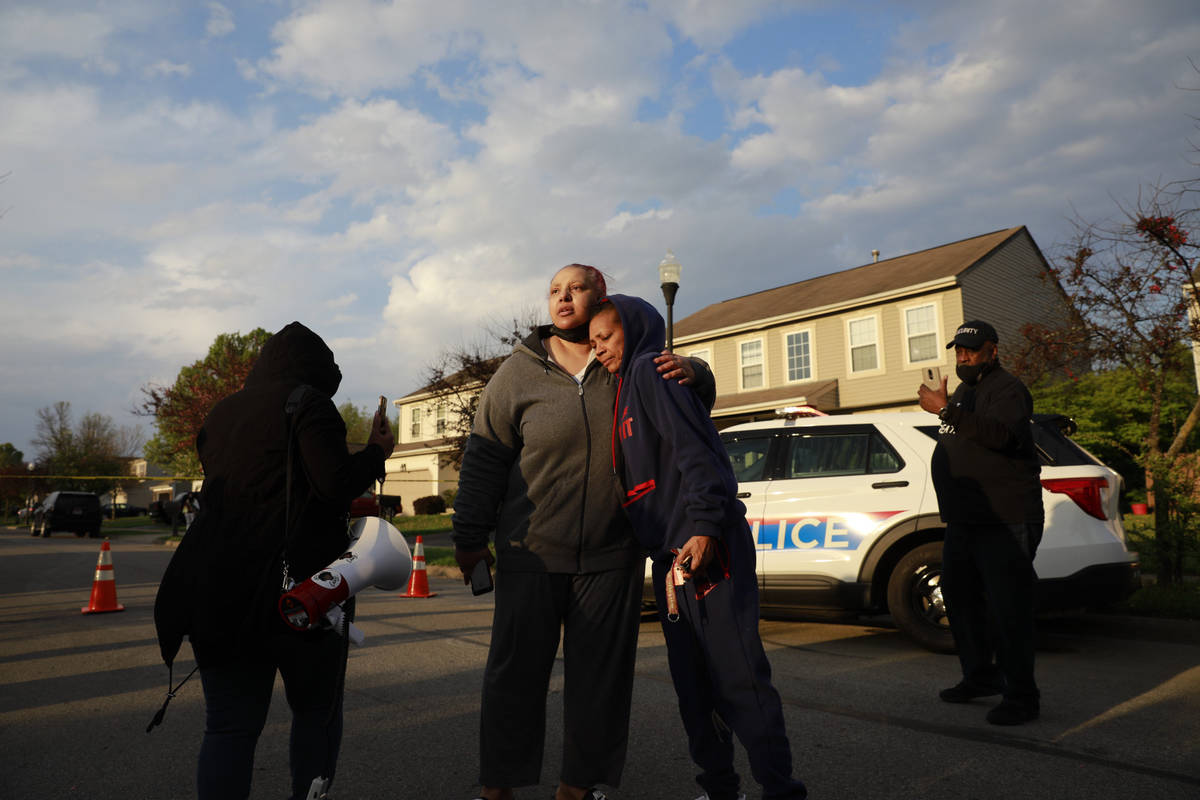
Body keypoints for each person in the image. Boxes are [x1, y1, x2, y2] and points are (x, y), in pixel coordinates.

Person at [452, 264, 713, 800]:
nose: (563, 297)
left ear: (601, 296)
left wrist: (694, 369)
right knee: (513, 681)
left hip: (611, 554)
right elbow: (483, 459)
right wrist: (470, 536)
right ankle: (498, 785)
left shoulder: (625, 360)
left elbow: (692, 393)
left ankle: (580, 786)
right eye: (554, 290)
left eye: (576, 288)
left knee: (601, 684)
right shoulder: (517, 373)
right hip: (532, 554)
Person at [153, 321, 395, 799]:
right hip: (300, 592)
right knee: (315, 712)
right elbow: (331, 485)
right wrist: (375, 453)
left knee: (228, 727)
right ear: (318, 371)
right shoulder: (311, 405)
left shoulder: (222, 413)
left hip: (217, 591)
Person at [589, 294, 808, 800]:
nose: (600, 349)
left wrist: (706, 527)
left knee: (737, 677)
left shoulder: (648, 371)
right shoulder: (620, 389)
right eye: (594, 341)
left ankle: (781, 790)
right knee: (693, 685)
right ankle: (719, 788)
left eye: (608, 336)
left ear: (638, 328)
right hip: (671, 558)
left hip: (707, 544)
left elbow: (698, 451)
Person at [916, 319, 1044, 726]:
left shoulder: (1008, 389)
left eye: (972, 349)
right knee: (959, 598)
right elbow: (965, 438)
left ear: (993, 349)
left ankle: (1022, 696)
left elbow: (1000, 437)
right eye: (959, 350)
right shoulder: (966, 392)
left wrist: (945, 409)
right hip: (965, 520)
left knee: (1008, 609)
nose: (964, 356)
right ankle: (980, 676)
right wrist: (948, 409)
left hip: (1004, 519)